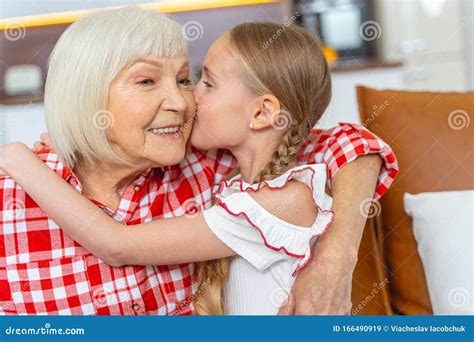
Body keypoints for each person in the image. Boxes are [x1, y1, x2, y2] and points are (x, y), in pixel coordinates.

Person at [0, 7, 398, 316]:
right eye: (146, 81)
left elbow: (352, 143)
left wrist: (337, 255)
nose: (180, 103)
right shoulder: (13, 198)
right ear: (86, 95)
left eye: (186, 79)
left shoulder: (212, 167)